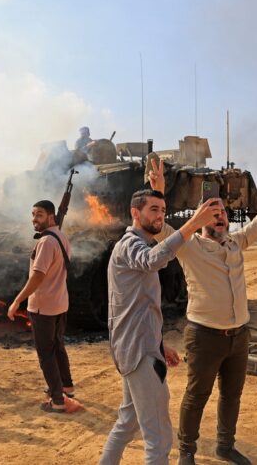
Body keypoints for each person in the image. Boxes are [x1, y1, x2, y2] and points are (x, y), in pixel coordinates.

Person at [149, 160, 257, 465]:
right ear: (201, 218)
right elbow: (160, 230)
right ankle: (187, 451)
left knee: (232, 396)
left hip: (239, 336)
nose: (220, 217)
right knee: (196, 396)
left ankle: (225, 446)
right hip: (205, 337)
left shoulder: (235, 243)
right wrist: (159, 193)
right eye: (212, 212)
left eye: (222, 213)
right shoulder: (189, 247)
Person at [98, 190, 220, 465]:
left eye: (163, 211)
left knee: (128, 423)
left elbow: (136, 308)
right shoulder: (130, 245)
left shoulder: (137, 245)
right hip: (139, 352)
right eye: (153, 209)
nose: (160, 216)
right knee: (159, 439)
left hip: (139, 346)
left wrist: (158, 344)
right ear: (135, 213)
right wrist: (193, 224)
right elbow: (152, 259)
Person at [8, 200, 74, 413]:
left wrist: (17, 300)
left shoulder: (46, 242)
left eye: (39, 215)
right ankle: (67, 386)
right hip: (60, 303)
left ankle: (57, 400)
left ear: (51, 217)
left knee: (46, 354)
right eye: (33, 214)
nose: (34, 219)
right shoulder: (61, 237)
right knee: (58, 347)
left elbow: (37, 276)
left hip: (43, 306)